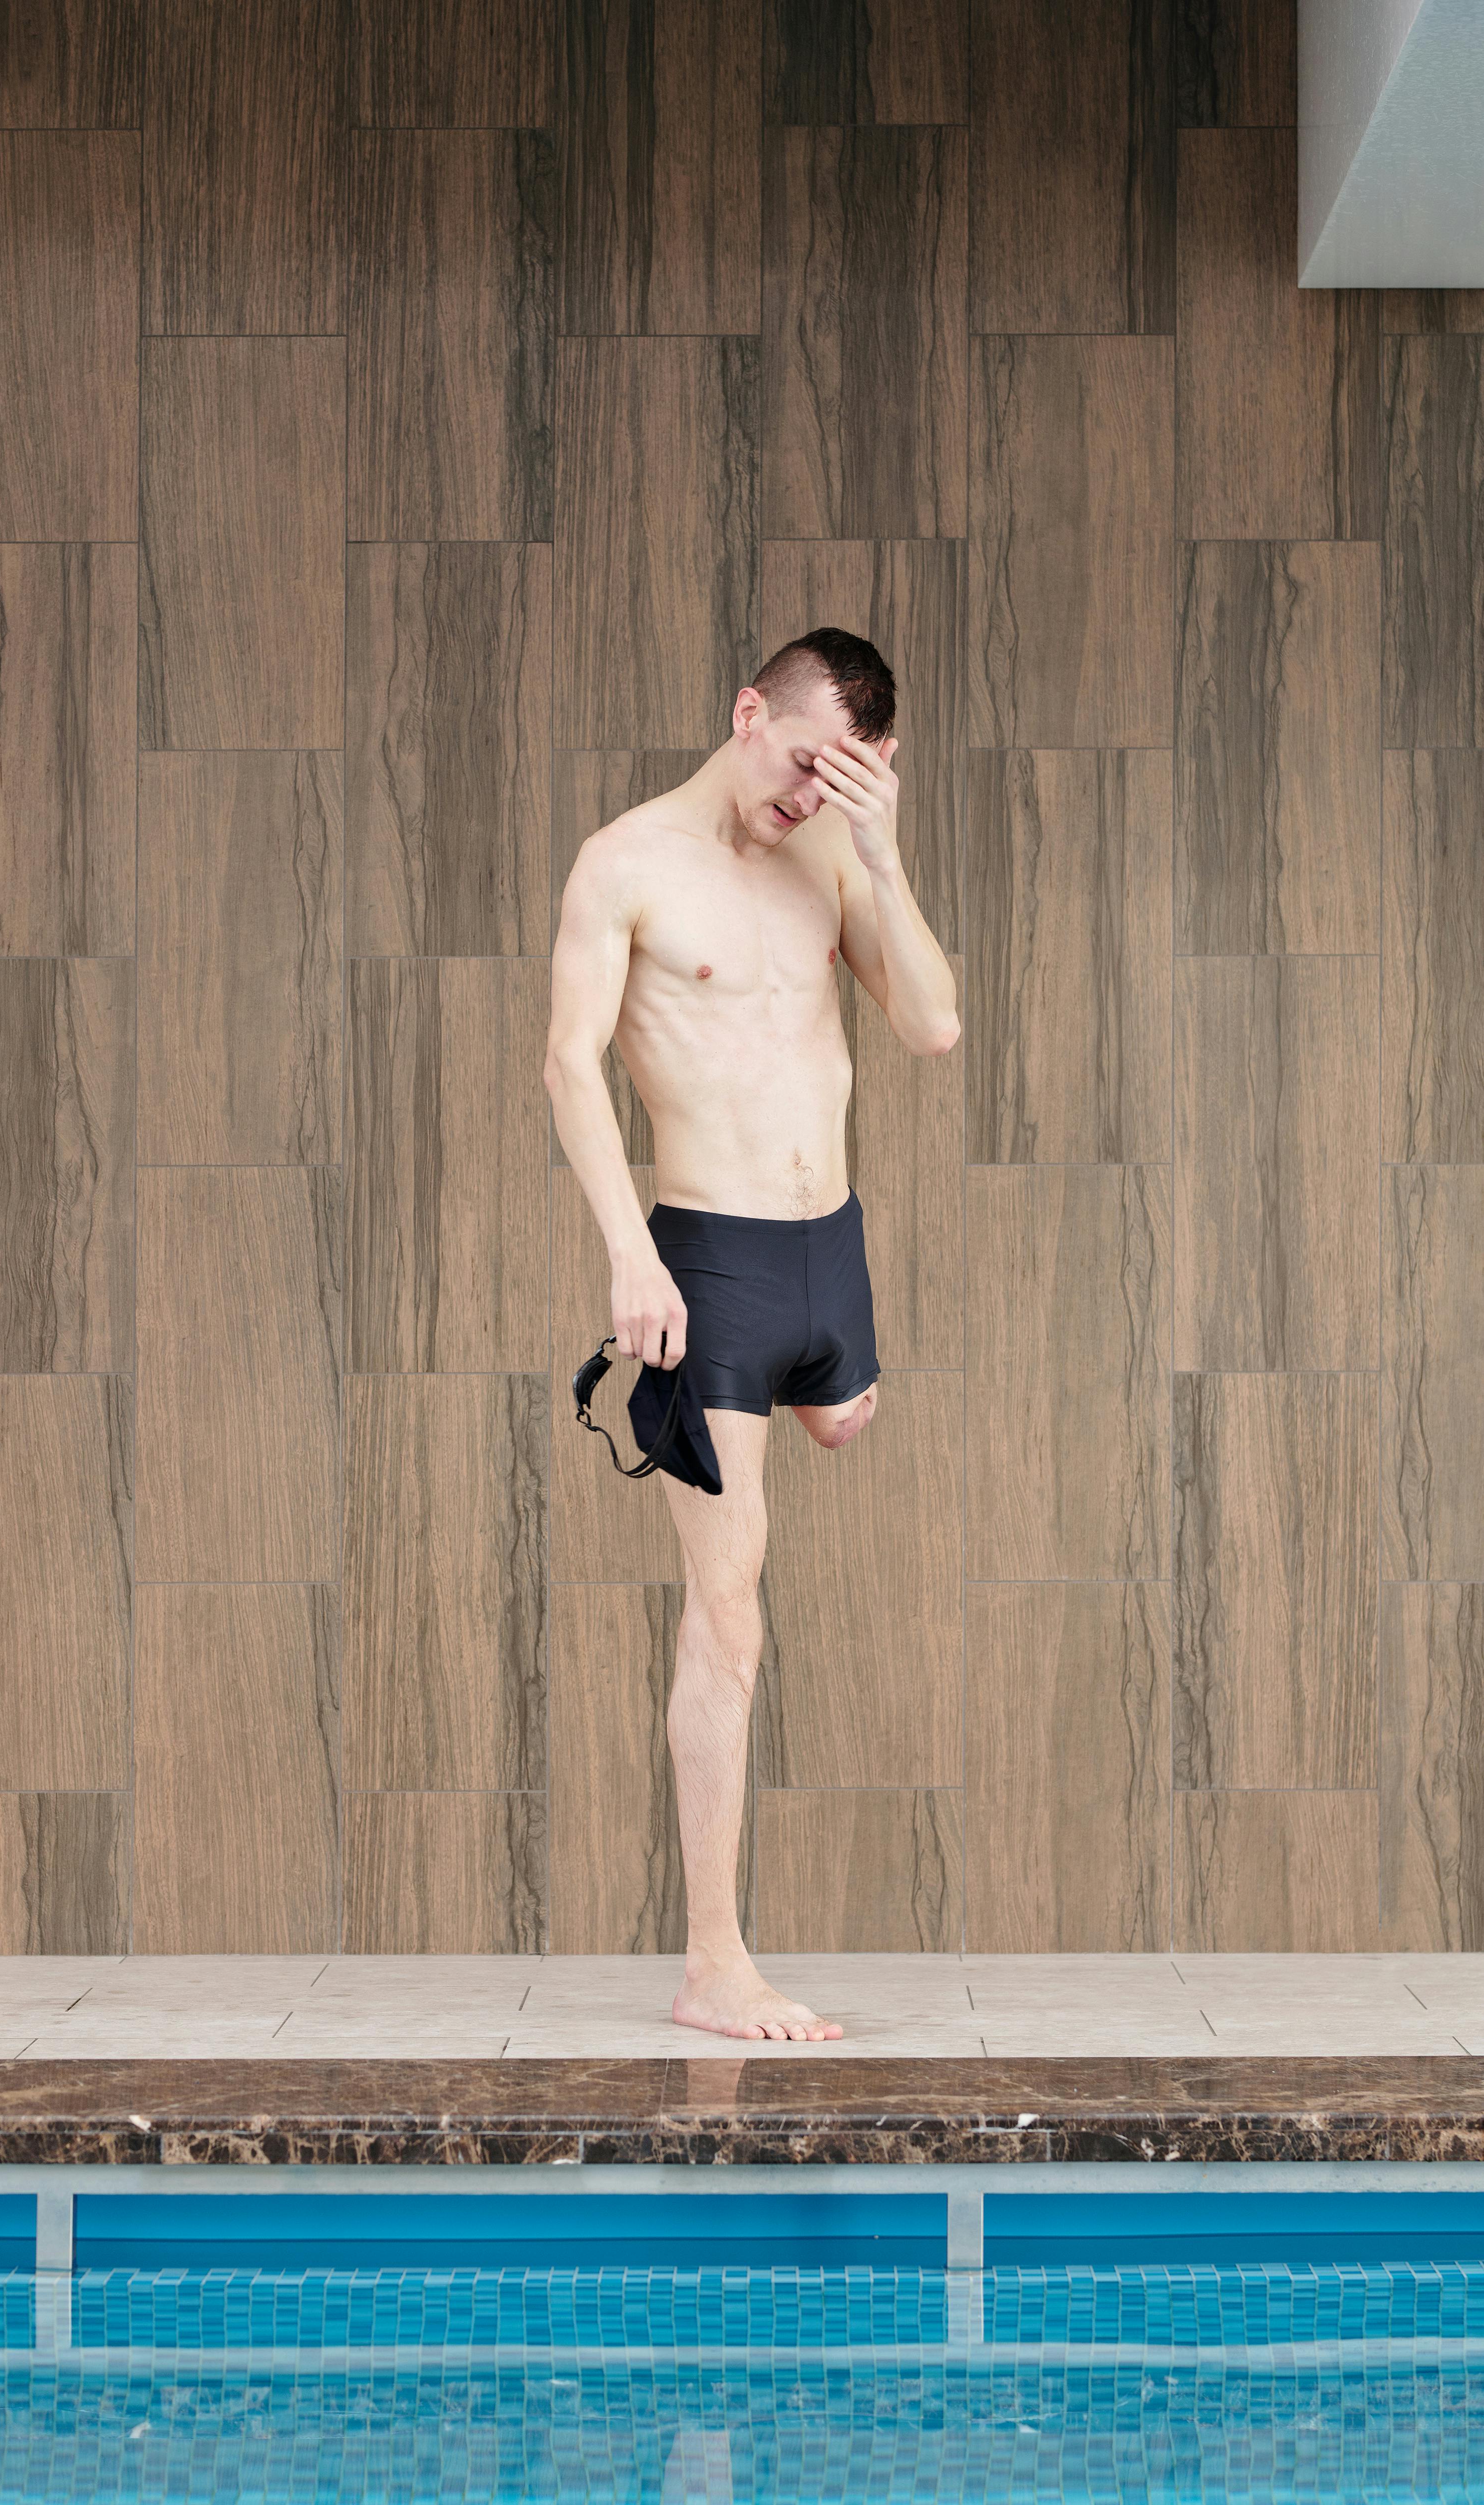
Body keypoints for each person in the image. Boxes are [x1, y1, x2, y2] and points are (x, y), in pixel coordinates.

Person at [544, 629, 962, 2041]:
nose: (804, 798)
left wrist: (885, 860)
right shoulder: (628, 865)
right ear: (745, 715)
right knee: (731, 1616)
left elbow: (933, 1028)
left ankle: (816, 1385)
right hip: (708, 1264)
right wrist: (629, 1255)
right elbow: (569, 1065)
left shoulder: (836, 854)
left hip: (825, 1251)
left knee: (843, 1414)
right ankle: (715, 1960)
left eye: (838, 779)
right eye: (795, 766)